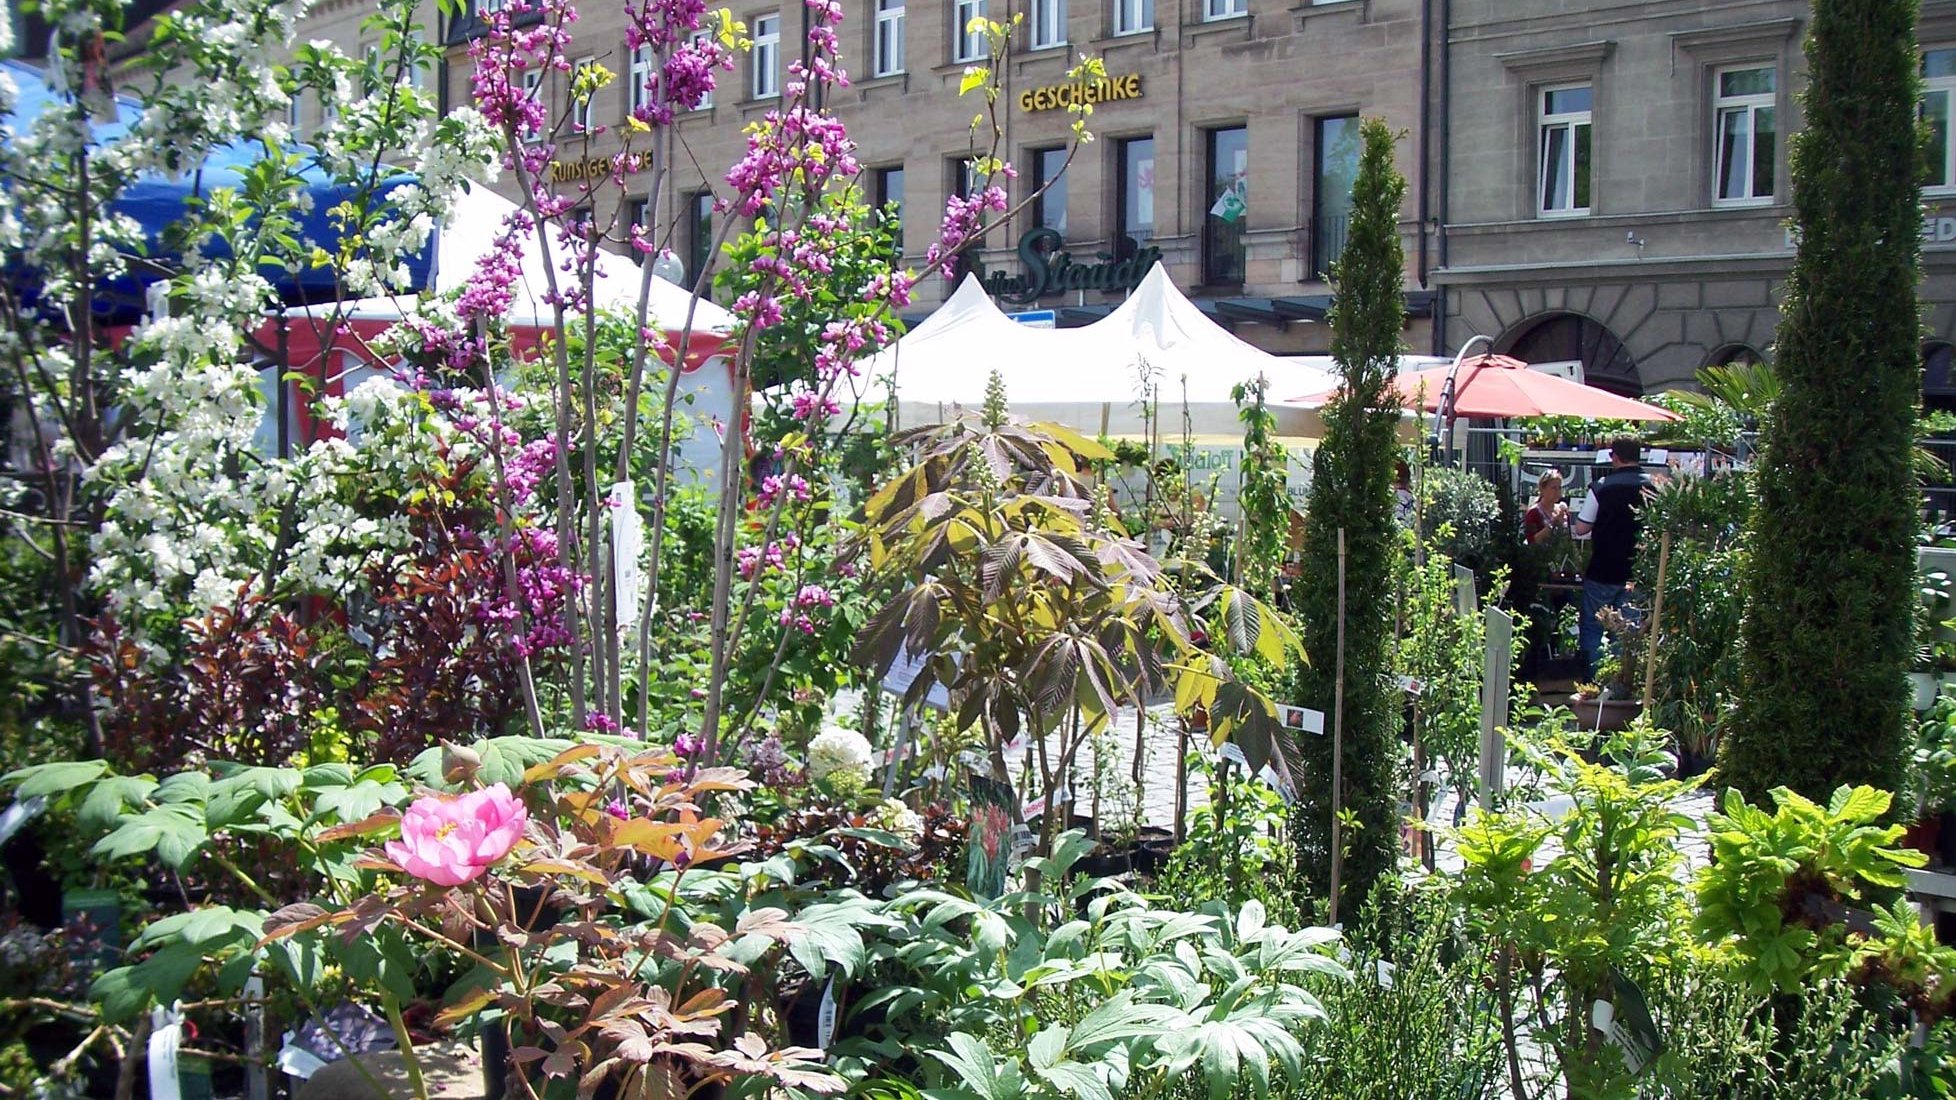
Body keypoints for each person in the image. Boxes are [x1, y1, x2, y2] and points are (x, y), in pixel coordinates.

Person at [1573, 437, 1654, 681]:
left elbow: (1581, 528)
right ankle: (1622, 683)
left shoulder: (1601, 486)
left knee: (1593, 626)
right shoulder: (1655, 487)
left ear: (1615, 457)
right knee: (1628, 632)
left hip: (1603, 569)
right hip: (1638, 572)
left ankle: (1595, 682)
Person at [1523, 469, 1569, 545]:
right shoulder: (1533, 512)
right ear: (1542, 489)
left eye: (1559, 488)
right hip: (1542, 555)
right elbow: (1532, 542)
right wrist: (1553, 523)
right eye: (1553, 488)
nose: (1557, 491)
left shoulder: (1562, 510)